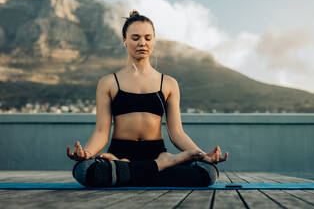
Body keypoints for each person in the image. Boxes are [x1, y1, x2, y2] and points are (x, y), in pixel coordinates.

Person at [67, 10, 228, 187]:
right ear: (124, 40)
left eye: (147, 38)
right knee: (82, 169)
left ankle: (127, 170)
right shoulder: (108, 82)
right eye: (135, 38)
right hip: (121, 153)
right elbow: (101, 133)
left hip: (154, 152)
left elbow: (177, 133)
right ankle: (160, 165)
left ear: (153, 40)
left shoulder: (168, 83)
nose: (142, 43)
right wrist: (87, 153)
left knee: (208, 172)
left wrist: (203, 155)